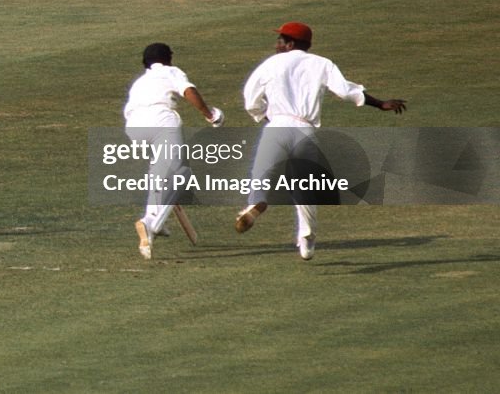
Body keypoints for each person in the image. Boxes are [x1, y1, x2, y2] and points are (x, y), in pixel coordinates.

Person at [236, 22, 406, 260]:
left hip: (277, 126)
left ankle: (256, 203)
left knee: (260, 174)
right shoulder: (322, 63)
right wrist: (380, 104)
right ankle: (306, 237)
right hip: (304, 129)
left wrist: (262, 115)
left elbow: (250, 98)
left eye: (280, 40)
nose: (277, 45)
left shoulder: (271, 64)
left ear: (290, 43)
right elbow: (346, 90)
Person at [124, 43, 224, 260]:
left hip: (134, 127)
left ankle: (153, 219)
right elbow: (188, 90)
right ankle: (151, 223)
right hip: (161, 120)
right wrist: (210, 115)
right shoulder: (170, 71)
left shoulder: (140, 82)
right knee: (182, 174)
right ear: (168, 58)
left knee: (159, 174)